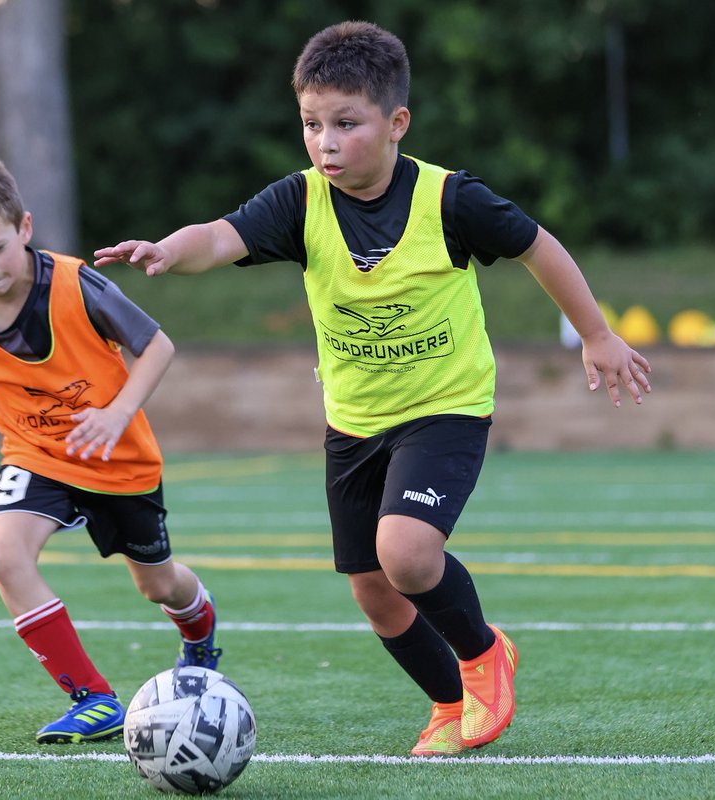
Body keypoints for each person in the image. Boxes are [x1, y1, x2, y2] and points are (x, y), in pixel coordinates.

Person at [94, 21, 652, 756]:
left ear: (396, 124)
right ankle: (450, 705)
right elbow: (221, 235)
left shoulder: (451, 200)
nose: (325, 142)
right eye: (311, 124)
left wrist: (596, 332)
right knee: (374, 590)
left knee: (407, 553)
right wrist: (169, 249)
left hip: (445, 407)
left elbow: (537, 247)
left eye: (345, 124)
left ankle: (485, 657)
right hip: (353, 421)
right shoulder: (300, 203)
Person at [0, 152, 221, 745]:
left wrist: (117, 413)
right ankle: (94, 699)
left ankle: (198, 632)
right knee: (3, 555)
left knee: (158, 585)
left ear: (26, 228)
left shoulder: (77, 284)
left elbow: (158, 345)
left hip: (119, 460)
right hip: (34, 453)